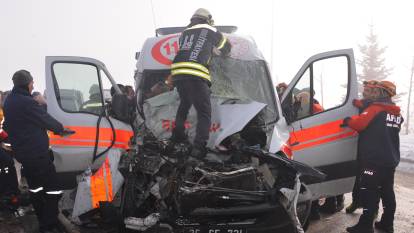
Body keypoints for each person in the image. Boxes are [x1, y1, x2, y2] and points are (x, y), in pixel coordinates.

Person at [3, 70, 72, 233]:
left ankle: (43, 219)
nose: (33, 85)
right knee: (53, 188)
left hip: (23, 154)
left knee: (36, 188)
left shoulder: (9, 101)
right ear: (27, 83)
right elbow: (44, 118)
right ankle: (49, 224)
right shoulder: (27, 102)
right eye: (32, 82)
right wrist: (61, 129)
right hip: (36, 154)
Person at [169, 8, 231, 158]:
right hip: (195, 73)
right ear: (207, 19)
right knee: (204, 113)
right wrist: (219, 52)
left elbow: (189, 49)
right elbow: (227, 47)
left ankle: (177, 135)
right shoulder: (210, 29)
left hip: (178, 73)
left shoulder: (185, 32)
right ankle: (199, 147)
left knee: (185, 103)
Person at [343, 80, 402, 233]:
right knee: (387, 191)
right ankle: (387, 223)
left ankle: (365, 225)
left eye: (376, 91)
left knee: (369, 190)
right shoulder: (396, 113)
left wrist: (348, 120)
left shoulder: (376, 109)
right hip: (390, 160)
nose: (373, 93)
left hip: (374, 160)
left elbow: (360, 124)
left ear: (382, 93)